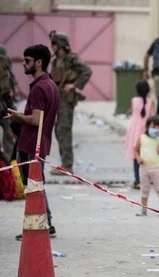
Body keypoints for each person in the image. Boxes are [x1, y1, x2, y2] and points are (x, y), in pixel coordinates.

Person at [6, 44, 60, 240]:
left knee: (33, 188)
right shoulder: (51, 85)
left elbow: (36, 120)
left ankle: (37, 227)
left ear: (38, 63)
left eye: (27, 60)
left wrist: (18, 117)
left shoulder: (39, 88)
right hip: (40, 144)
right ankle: (47, 224)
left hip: (30, 145)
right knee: (37, 185)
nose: (23, 63)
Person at [48, 30, 92, 175]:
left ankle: (67, 165)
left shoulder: (71, 59)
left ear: (61, 45)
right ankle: (64, 163)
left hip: (67, 99)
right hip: (57, 98)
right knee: (58, 130)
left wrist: (75, 85)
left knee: (64, 130)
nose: (52, 47)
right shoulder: (56, 61)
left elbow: (87, 71)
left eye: (54, 44)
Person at [135, 115, 159, 216]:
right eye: (153, 127)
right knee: (144, 189)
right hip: (144, 168)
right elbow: (136, 149)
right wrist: (139, 158)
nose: (156, 130)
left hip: (156, 168)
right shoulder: (142, 138)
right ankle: (143, 210)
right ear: (147, 127)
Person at [125, 80, 155, 190]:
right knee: (147, 155)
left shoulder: (133, 100)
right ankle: (148, 179)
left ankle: (138, 180)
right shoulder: (151, 102)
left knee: (135, 155)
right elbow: (152, 116)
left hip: (135, 130)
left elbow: (133, 113)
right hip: (146, 130)